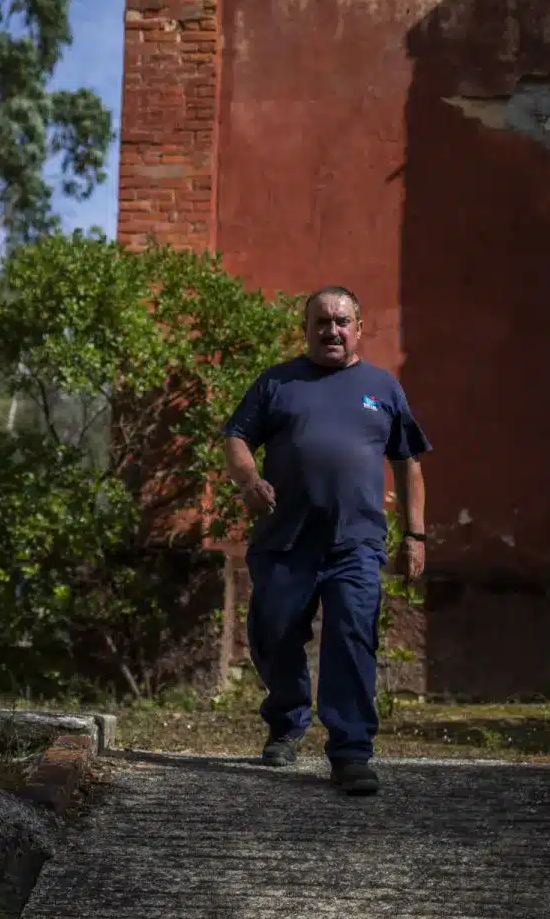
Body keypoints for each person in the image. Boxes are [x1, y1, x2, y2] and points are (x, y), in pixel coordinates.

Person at [221, 285, 431, 797]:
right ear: (306, 329)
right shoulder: (277, 382)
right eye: (321, 322)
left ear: (359, 328)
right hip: (285, 540)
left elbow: (408, 463)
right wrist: (249, 481)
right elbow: (236, 436)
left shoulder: (383, 387)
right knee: (273, 633)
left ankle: (351, 752)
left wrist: (415, 534)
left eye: (341, 321)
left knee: (352, 635)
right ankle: (287, 720)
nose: (331, 330)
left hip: (355, 543)